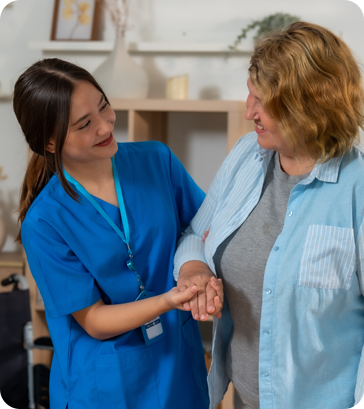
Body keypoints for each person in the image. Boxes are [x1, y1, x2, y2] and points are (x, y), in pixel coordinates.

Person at [14, 58, 223, 409]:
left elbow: (204, 230)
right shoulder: (44, 222)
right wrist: (169, 300)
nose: (105, 125)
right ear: (50, 143)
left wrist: (195, 271)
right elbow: (93, 321)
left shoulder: (157, 160)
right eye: (84, 124)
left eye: (103, 106)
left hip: (177, 363)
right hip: (106, 384)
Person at [174, 21, 364, 409]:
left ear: (310, 105)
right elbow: (195, 232)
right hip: (242, 398)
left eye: (263, 102)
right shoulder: (248, 155)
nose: (248, 112)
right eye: (250, 96)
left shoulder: (356, 188)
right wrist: (194, 269)